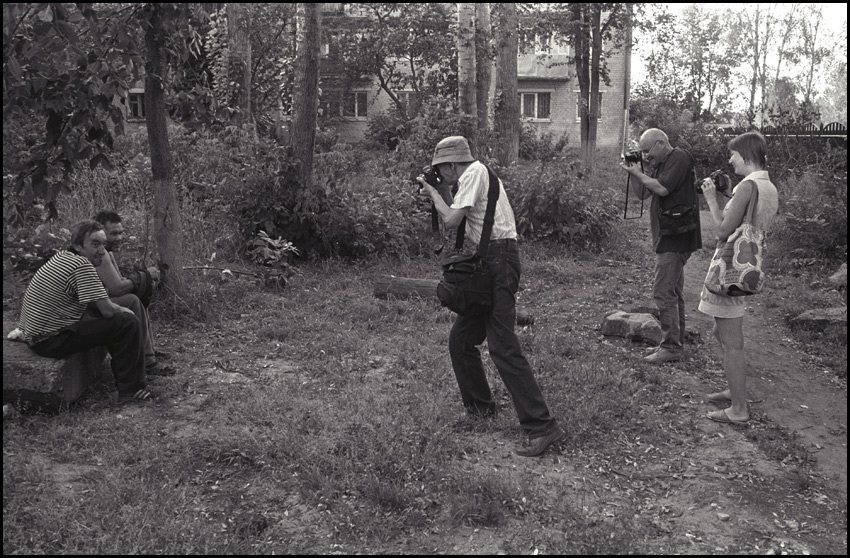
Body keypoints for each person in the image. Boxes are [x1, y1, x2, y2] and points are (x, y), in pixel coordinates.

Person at [418, 136, 565, 457]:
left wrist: (433, 192)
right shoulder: (474, 176)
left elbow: (451, 220)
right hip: (490, 264)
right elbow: (458, 215)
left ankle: (542, 427)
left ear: (452, 164)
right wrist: (440, 190)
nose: (441, 176)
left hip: (499, 262)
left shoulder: (473, 172)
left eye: (440, 170)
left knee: (502, 346)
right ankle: (480, 409)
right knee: (461, 340)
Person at [18, 220, 155, 403]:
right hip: (50, 340)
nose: (102, 251)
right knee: (127, 322)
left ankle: (128, 374)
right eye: (95, 244)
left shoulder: (63, 257)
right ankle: (132, 390)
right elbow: (108, 310)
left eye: (103, 244)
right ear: (78, 245)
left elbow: (94, 301)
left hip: (38, 336)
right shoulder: (82, 265)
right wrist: (127, 312)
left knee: (120, 313)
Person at [698, 131, 779, 424]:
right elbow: (750, 221)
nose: (731, 160)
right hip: (746, 265)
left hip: (729, 268)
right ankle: (735, 389)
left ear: (745, 155)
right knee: (721, 333)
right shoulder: (767, 186)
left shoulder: (747, 186)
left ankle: (739, 409)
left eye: (733, 155)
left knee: (731, 341)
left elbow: (722, 231)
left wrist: (711, 199)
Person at [621, 128, 702, 363]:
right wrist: (634, 171)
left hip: (676, 237)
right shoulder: (660, 164)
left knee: (663, 291)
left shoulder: (679, 157)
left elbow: (662, 189)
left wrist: (641, 172)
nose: (646, 156)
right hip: (668, 236)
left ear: (660, 143)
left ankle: (671, 347)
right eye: (643, 152)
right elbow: (643, 195)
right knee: (673, 291)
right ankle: (676, 342)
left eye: (647, 151)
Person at [92, 211, 174, 377]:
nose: (119, 238)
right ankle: (147, 360)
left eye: (121, 232)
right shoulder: (99, 253)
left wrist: (140, 281)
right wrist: (144, 276)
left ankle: (148, 349)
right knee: (131, 300)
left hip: (98, 301)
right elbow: (117, 289)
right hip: (87, 308)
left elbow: (118, 282)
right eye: (113, 233)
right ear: (101, 233)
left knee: (137, 295)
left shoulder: (108, 252)